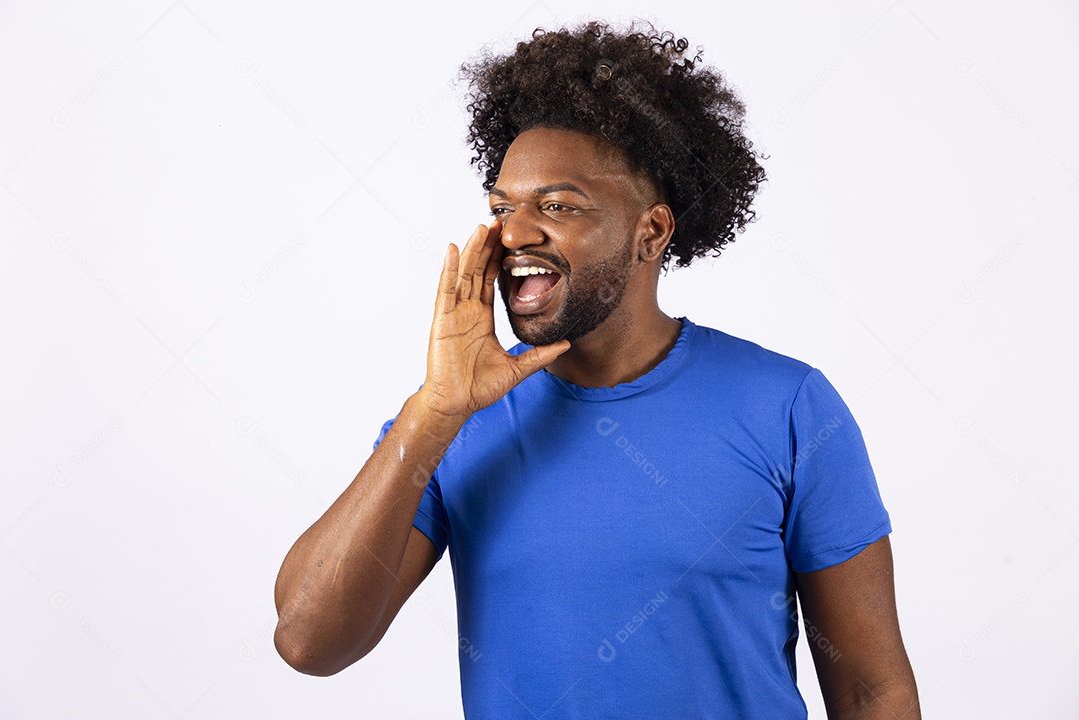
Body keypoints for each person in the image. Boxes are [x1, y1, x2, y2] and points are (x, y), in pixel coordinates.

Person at [273, 20, 920, 719]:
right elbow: (310, 641)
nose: (514, 232)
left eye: (555, 205)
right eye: (502, 206)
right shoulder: (451, 424)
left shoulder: (788, 406)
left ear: (652, 231)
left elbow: (869, 689)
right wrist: (433, 410)